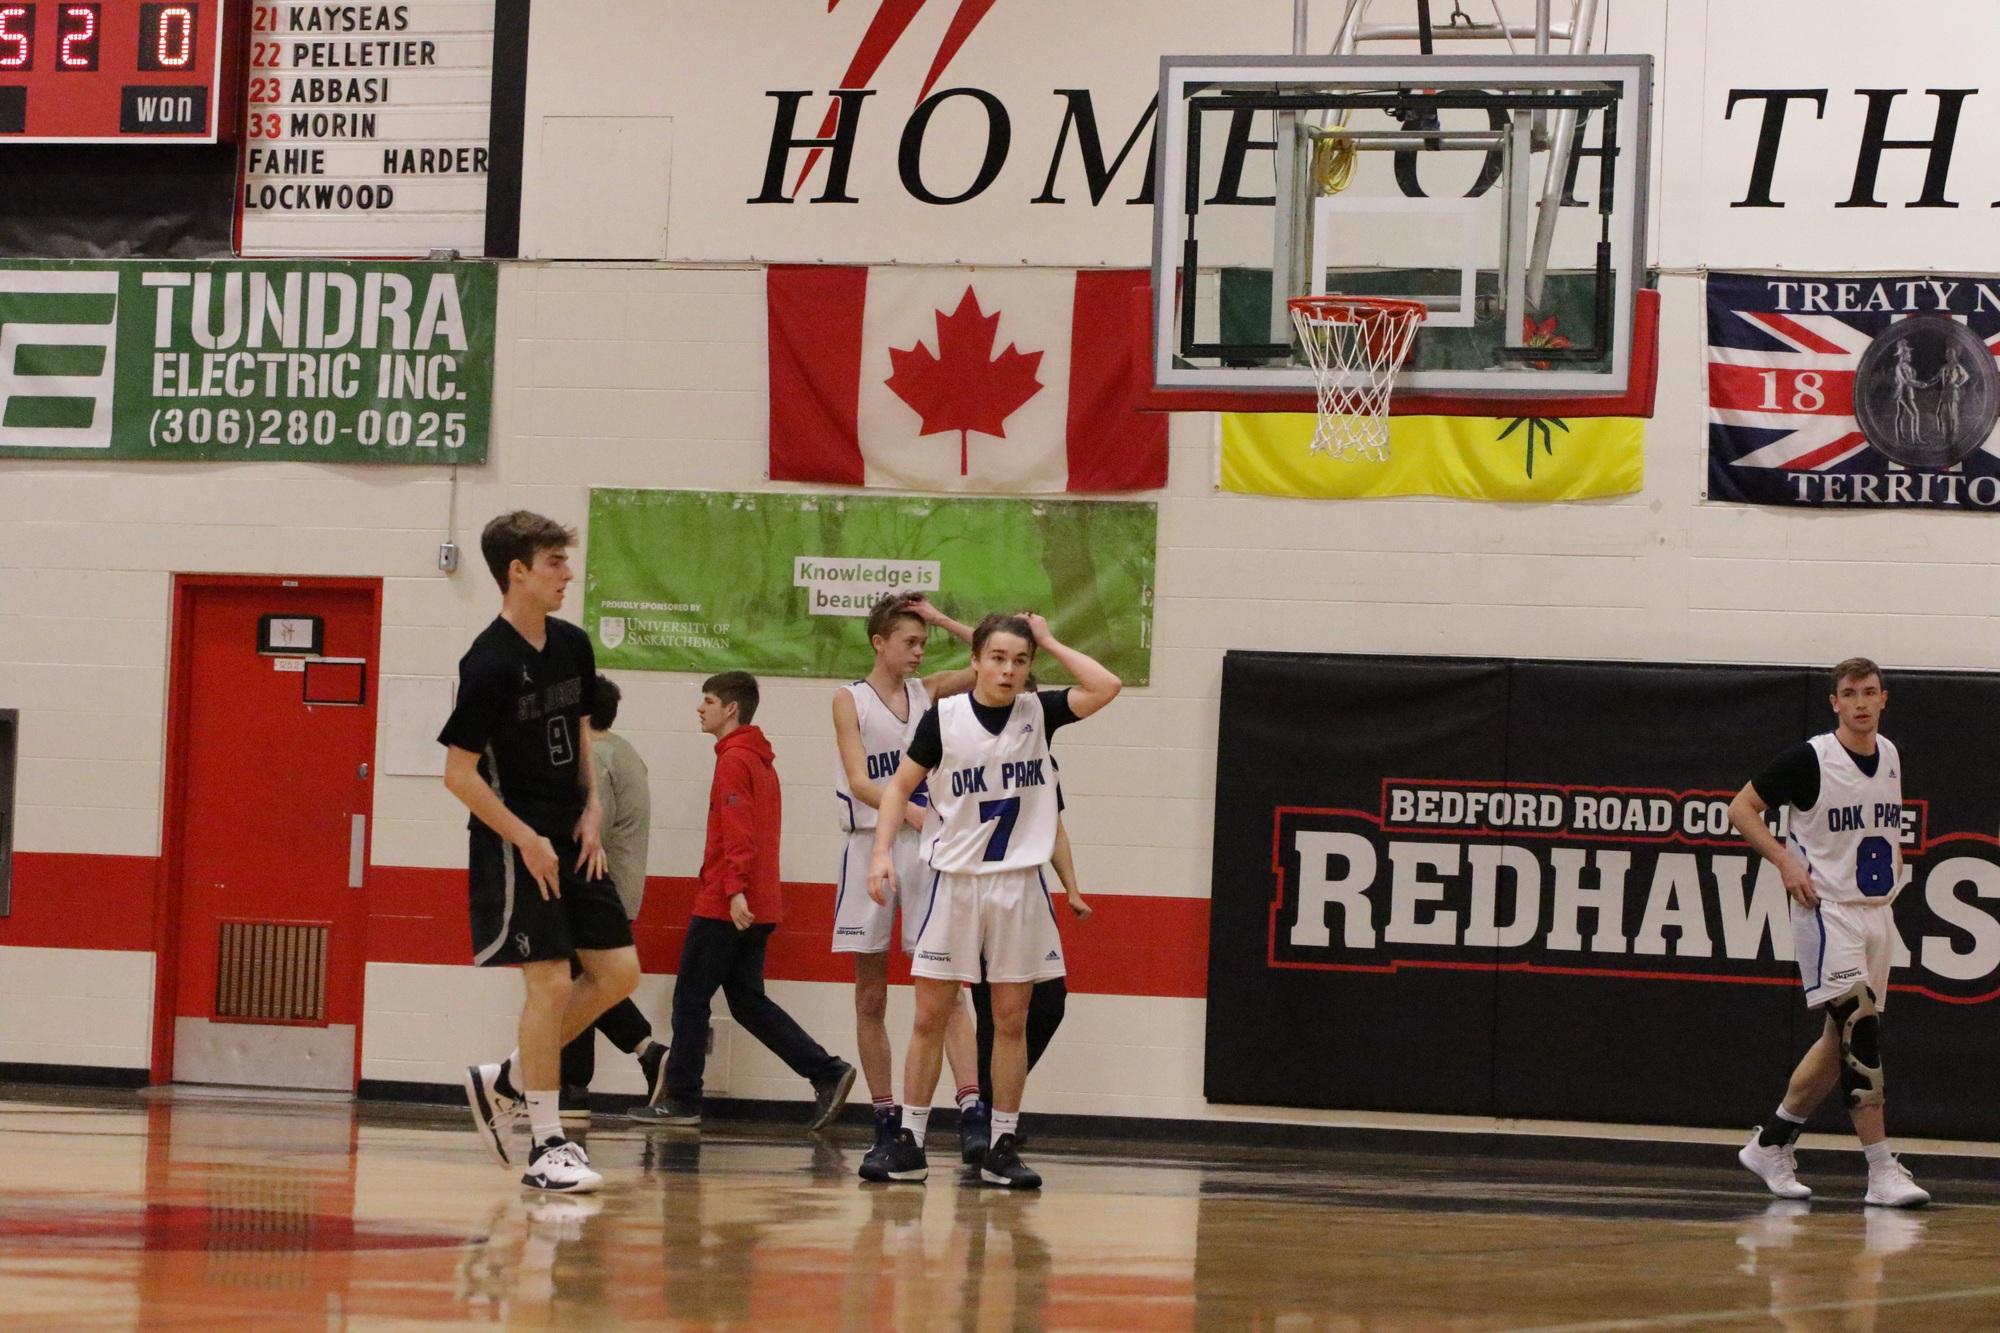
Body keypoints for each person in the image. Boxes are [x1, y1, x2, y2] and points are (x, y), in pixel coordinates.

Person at [865, 613, 1121, 1189]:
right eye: (998, 658)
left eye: (1021, 660)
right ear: (976, 660)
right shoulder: (944, 717)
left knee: (1011, 1020)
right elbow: (899, 787)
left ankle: (1001, 1145)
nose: (1009, 670)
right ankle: (909, 1142)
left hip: (1017, 886)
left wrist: (1049, 639)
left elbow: (1106, 685)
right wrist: (881, 853)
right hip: (955, 883)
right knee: (930, 1015)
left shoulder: (1039, 714)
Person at [444, 511, 641, 1194]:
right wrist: (525, 838)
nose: (568, 573)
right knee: (551, 983)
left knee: (619, 973)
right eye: (554, 561)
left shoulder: (572, 645)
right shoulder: (488, 662)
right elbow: (458, 774)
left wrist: (592, 807)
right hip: (515, 841)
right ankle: (545, 1143)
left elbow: (580, 731)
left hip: (570, 831)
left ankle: (507, 1078)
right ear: (517, 571)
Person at [1728, 657, 1929, 1209]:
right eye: (1850, 693)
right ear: (1834, 702)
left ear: (1884, 698)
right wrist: (1785, 863)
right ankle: (1881, 1169)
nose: (1861, 702)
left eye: (1870, 692)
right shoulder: (1811, 758)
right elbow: (1741, 809)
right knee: (1859, 1031)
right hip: (1827, 909)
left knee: (1836, 1040)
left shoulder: (1890, 754)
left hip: (1876, 912)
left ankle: (1771, 1143)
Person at [647, 671, 856, 1129]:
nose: (700, 708)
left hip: (727, 903)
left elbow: (738, 832)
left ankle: (683, 1100)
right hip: (757, 903)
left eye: (708, 700)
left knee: (690, 998)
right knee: (747, 1002)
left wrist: (734, 889)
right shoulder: (761, 761)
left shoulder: (734, 760)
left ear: (731, 709)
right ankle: (827, 1071)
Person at [833, 593, 989, 1173]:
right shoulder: (849, 699)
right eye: (910, 642)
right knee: (871, 994)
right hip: (871, 842)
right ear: (879, 643)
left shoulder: (932, 692)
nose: (920, 651)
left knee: (945, 988)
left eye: (924, 643)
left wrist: (942, 618)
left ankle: (972, 1111)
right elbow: (859, 780)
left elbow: (991, 658)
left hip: (926, 850)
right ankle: (883, 1116)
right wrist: (911, 810)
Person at [557, 674, 669, 1119]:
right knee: (584, 978)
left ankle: (644, 1053)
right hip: (616, 886)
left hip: (596, 886)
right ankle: (578, 1086)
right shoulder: (625, 752)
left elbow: (588, 833)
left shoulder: (597, 758)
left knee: (584, 982)